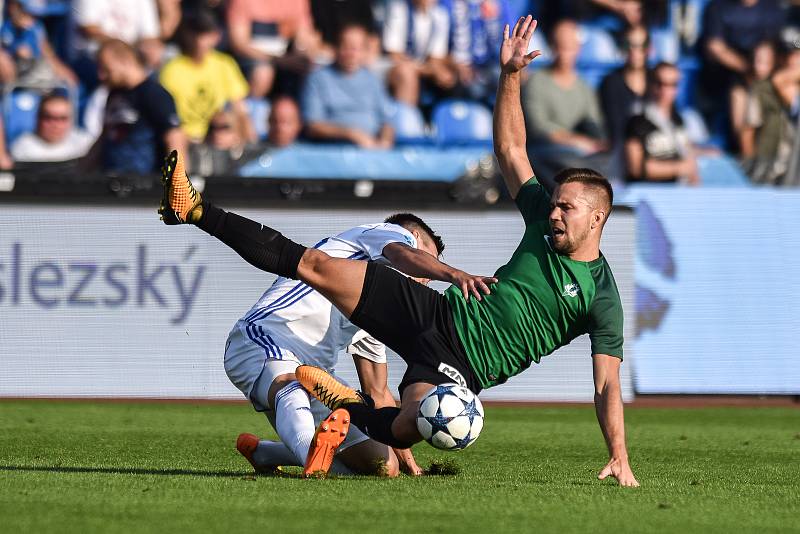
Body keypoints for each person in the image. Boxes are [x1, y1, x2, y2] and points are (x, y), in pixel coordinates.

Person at [158, 16, 639, 487]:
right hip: (435, 313)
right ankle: (195, 209)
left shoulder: (602, 296)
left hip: (460, 370)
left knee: (406, 429)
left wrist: (619, 455)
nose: (554, 214)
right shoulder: (539, 216)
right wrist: (510, 75)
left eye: (567, 209)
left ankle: (344, 405)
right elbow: (511, 149)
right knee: (315, 265)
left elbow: (606, 385)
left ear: (596, 219)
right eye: (554, 204)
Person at [230, 213, 452, 477]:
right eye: (431, 259)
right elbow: (406, 256)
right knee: (292, 382)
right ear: (414, 238)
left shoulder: (380, 310)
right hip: (264, 337)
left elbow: (377, 392)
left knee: (383, 466)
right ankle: (310, 461)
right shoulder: (386, 235)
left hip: (318, 381)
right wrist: (454, 275)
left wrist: (410, 465)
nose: (429, 277)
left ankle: (264, 453)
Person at [522, 19, 609, 186]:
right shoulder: (536, 82)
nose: (563, 53)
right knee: (572, 163)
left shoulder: (583, 87)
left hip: (577, 151)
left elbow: (594, 122)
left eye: (569, 47)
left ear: (578, 49)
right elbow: (539, 129)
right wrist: (577, 141)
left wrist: (598, 143)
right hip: (545, 151)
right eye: (559, 46)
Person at [86, 39, 187, 174]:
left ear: (124, 61)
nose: (101, 75)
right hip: (112, 180)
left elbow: (174, 137)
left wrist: (177, 181)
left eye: (105, 68)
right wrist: (81, 173)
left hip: (145, 183)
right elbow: (105, 137)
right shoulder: (114, 94)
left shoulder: (153, 94)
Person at [160, 10, 256, 143]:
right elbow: (166, 117)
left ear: (216, 36)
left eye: (205, 34)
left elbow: (240, 110)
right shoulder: (172, 70)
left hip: (220, 138)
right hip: (186, 140)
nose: (199, 41)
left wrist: (248, 145)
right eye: (196, 33)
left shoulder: (225, 65)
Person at [302, 24, 394, 148]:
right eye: (346, 47)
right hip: (333, 151)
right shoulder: (317, 79)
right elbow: (313, 126)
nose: (351, 54)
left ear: (364, 52)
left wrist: (385, 142)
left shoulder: (373, 80)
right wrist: (352, 135)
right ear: (335, 48)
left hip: (372, 151)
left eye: (356, 48)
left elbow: (387, 121)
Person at [624, 62, 700, 184]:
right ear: (650, 84)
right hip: (646, 195)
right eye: (660, 83)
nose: (665, 90)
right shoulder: (637, 120)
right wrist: (679, 168)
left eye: (672, 84)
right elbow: (636, 168)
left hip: (677, 192)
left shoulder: (679, 120)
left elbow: (689, 158)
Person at [226, 0, 320, 99]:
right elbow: (239, 44)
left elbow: (303, 36)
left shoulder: (298, 2)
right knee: (263, 74)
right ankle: (249, 109)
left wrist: (303, 53)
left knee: (314, 71)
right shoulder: (242, 2)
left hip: (286, 59)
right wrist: (278, 60)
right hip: (250, 61)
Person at [383, 0, 458, 106]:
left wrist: (438, 72)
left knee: (449, 77)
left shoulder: (440, 15)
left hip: (422, 67)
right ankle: (406, 119)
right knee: (407, 73)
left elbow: (436, 57)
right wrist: (425, 69)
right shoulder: (399, 9)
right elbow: (394, 54)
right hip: (392, 66)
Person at [0, 0, 78, 87]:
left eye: (34, 15)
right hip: (13, 82)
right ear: (13, 7)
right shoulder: (5, 28)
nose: (31, 20)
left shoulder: (36, 28)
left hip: (32, 79)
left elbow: (47, 54)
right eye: (27, 13)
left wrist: (63, 72)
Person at [10, 93, 93, 162]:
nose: (55, 124)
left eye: (62, 118)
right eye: (48, 117)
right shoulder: (22, 147)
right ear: (37, 118)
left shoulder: (86, 145)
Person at [732, 42, 777, 157]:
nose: (760, 67)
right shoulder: (755, 90)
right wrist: (752, 164)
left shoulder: (777, 86)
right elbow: (746, 132)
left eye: (767, 62)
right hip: (765, 160)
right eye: (758, 61)